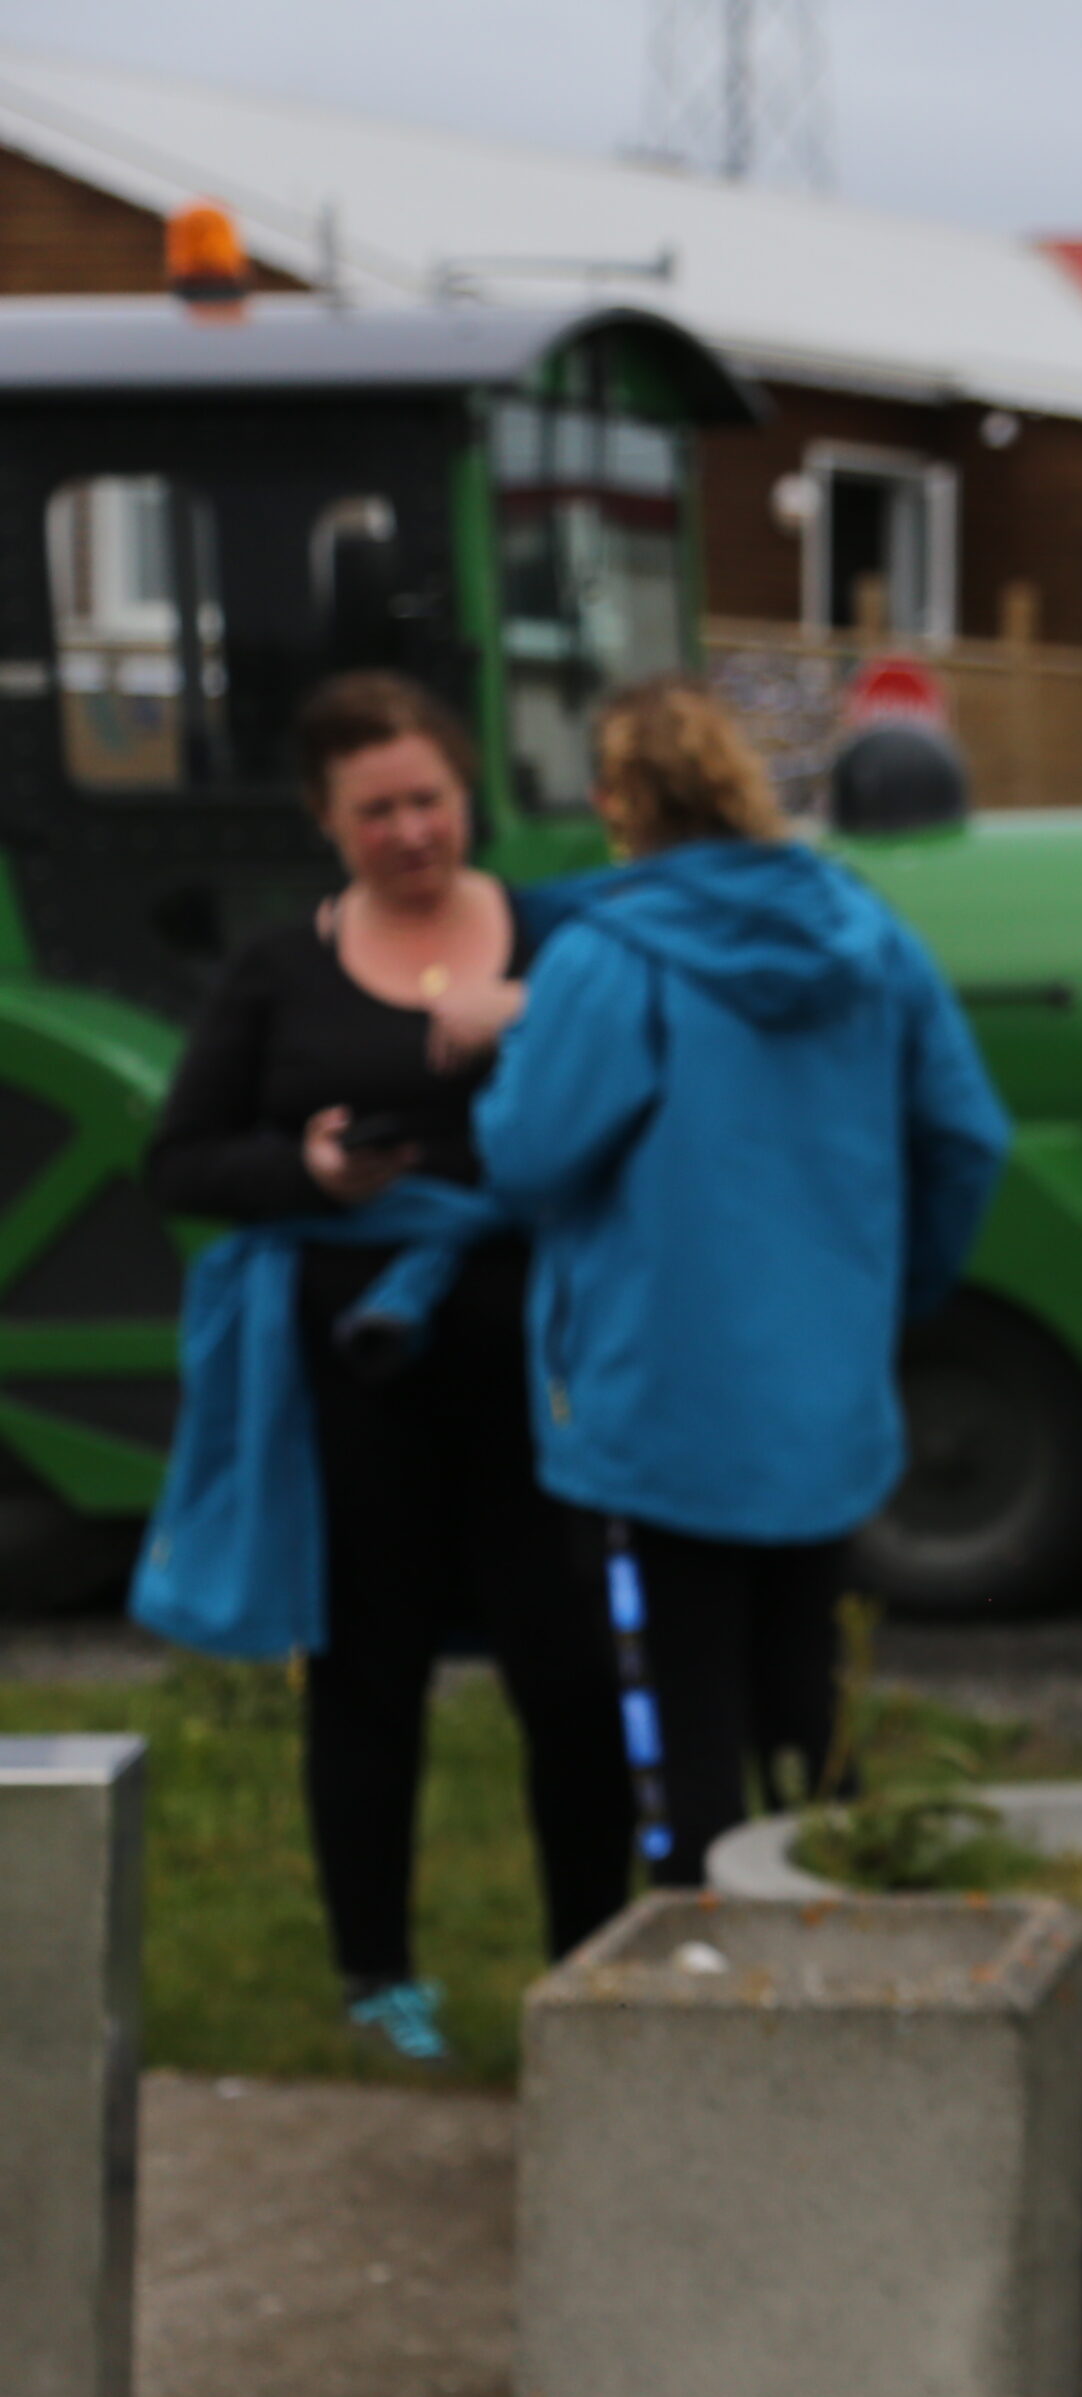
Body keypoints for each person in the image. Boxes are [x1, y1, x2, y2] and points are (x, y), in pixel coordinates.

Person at [138, 671, 630, 2068]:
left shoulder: (562, 936)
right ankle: (375, 1972)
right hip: (353, 1383)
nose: (410, 830)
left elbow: (650, 1077)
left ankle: (589, 1953)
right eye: (376, 810)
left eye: (428, 798)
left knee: (572, 1669)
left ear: (465, 795)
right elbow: (178, 1158)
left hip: (543, 1368)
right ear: (324, 820)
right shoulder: (275, 972)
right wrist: (306, 1169)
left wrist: (526, 1007)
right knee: (365, 1669)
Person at [475, 680, 1008, 1885]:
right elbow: (965, 1136)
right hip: (823, 1403)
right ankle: (848, 1947)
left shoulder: (607, 957)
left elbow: (529, 1155)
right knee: (806, 1713)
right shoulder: (866, 936)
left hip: (650, 1412)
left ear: (618, 803)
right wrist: (894, 1292)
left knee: (679, 1735)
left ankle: (707, 1977)